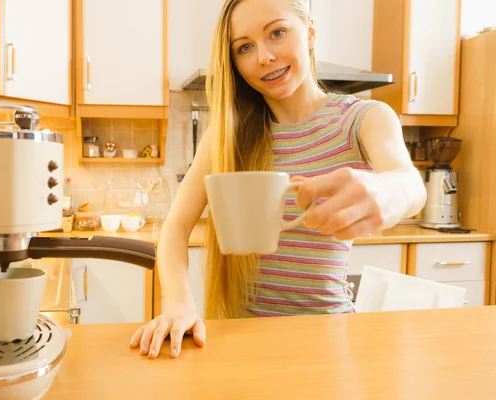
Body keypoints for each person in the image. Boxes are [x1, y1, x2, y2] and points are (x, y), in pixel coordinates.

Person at [129, 0, 427, 359]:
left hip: (328, 336)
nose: (264, 57)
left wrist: (388, 190)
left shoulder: (364, 119)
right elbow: (175, 227)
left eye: (277, 32)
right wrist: (178, 304)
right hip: (239, 340)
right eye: (245, 47)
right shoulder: (225, 136)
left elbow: (409, 184)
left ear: (310, 33)